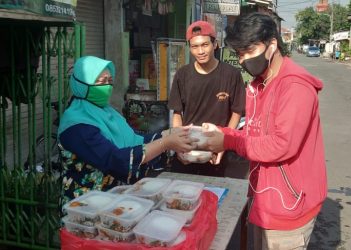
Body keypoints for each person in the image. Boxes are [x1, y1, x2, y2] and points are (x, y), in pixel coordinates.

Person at [203, 13, 327, 249]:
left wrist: (228, 142)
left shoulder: (295, 86)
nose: (244, 60)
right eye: (240, 54)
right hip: (264, 197)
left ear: (272, 45)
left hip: (288, 208)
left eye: (249, 51)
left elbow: (281, 144)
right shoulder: (259, 84)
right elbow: (255, 136)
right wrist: (223, 134)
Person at [58, 56, 196, 205]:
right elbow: (115, 160)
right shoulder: (76, 125)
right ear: (82, 84)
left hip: (116, 202)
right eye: (101, 81)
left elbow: (135, 139)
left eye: (110, 81)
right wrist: (165, 143)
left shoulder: (108, 113)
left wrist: (168, 134)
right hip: (85, 209)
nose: (108, 86)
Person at [167, 20, 246, 177]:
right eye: (195, 46)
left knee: (216, 196)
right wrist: (178, 144)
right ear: (190, 48)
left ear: (215, 44)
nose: (200, 51)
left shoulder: (232, 75)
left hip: (218, 149)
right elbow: (177, 113)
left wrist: (224, 143)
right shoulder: (182, 75)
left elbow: (236, 112)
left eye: (205, 45)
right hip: (189, 148)